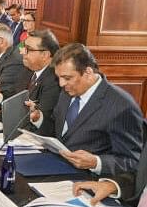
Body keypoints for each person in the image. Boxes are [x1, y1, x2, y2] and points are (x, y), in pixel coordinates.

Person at [29, 43, 143, 175]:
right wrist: (39, 119)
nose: (61, 84)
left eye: (67, 78)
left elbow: (132, 161)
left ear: (88, 72)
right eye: (58, 78)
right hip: (55, 167)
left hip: (89, 178)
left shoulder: (122, 106)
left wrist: (96, 162)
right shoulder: (67, 92)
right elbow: (60, 131)